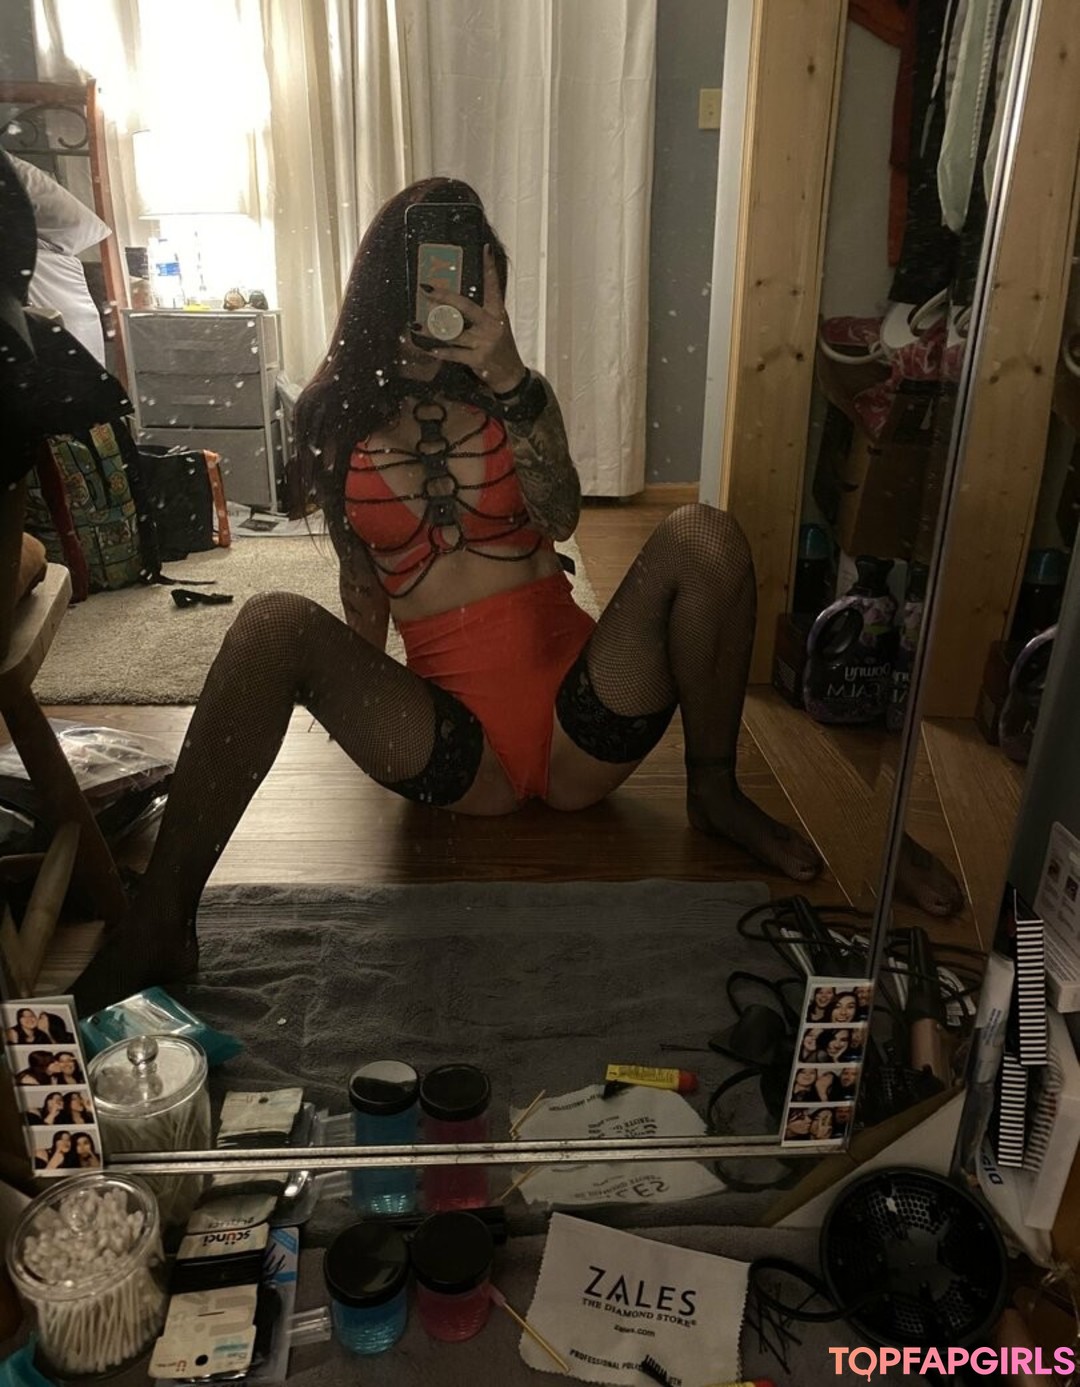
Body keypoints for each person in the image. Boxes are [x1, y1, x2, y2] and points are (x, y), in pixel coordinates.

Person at [70, 176, 822, 1012]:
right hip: (463, 753)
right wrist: (360, 700)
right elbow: (362, 586)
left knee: (704, 535)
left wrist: (510, 377)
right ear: (391, 281)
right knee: (271, 622)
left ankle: (715, 789)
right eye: (437, 272)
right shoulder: (333, 415)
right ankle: (161, 919)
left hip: (583, 721)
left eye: (476, 276)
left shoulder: (517, 396)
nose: (457, 294)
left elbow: (562, 515)